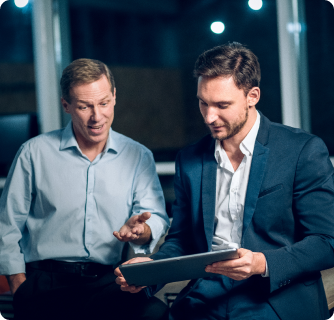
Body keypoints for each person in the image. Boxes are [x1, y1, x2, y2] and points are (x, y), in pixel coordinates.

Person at [115, 42, 334, 320]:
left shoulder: (302, 150)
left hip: (274, 297)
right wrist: (149, 268)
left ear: (252, 96)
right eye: (203, 103)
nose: (209, 117)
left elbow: (328, 241)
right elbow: (181, 242)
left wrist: (261, 262)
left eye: (222, 105)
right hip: (206, 296)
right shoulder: (190, 159)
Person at [0, 58, 170, 320]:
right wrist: (18, 285)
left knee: (155, 313)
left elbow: (155, 217)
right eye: (84, 106)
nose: (97, 116)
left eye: (103, 103)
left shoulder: (138, 156)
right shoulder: (33, 153)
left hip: (105, 282)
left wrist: (142, 230)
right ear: (66, 105)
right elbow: (7, 225)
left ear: (114, 96)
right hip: (45, 283)